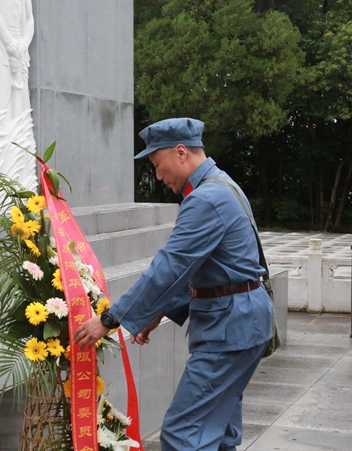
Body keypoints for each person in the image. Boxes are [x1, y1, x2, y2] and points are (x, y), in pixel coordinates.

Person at [75, 117, 273, 451]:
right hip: (241, 323)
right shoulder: (221, 185)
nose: (158, 175)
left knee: (184, 435)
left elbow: (170, 266)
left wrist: (110, 319)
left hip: (230, 329)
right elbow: (204, 265)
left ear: (181, 152)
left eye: (157, 164)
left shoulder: (206, 198)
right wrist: (159, 310)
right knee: (218, 432)